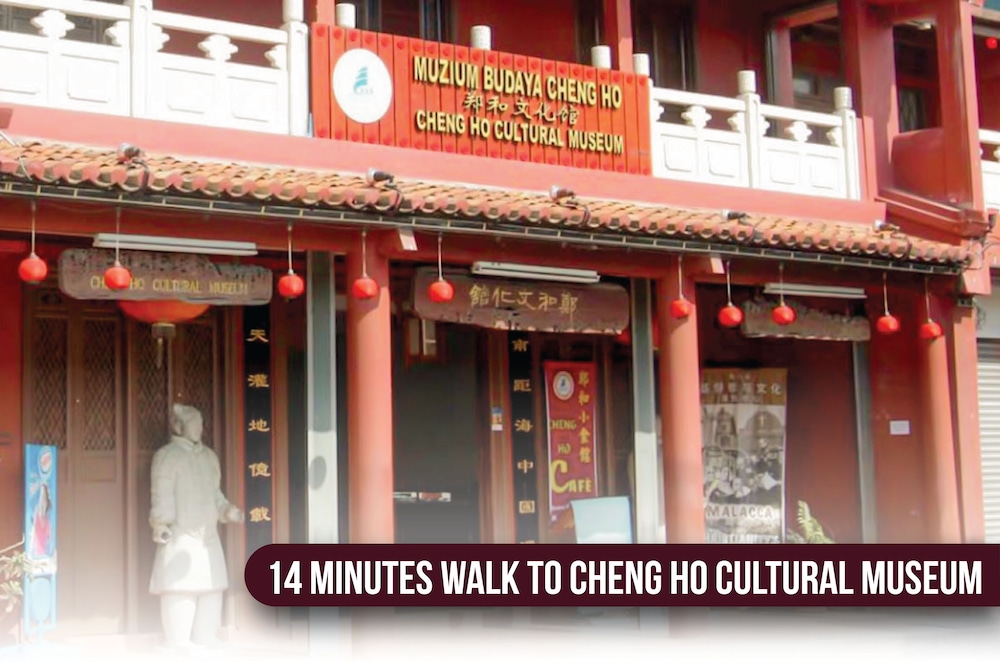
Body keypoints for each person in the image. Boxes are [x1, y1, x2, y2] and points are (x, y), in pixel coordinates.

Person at [149, 404, 243, 651]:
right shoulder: (167, 456)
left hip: (208, 535)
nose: (200, 428)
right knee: (180, 588)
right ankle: (178, 641)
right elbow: (162, 495)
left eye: (201, 424)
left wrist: (227, 511)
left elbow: (215, 494)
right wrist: (161, 523)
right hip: (180, 533)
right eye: (194, 424)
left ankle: (206, 637)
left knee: (212, 587)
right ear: (179, 426)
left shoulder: (209, 457)